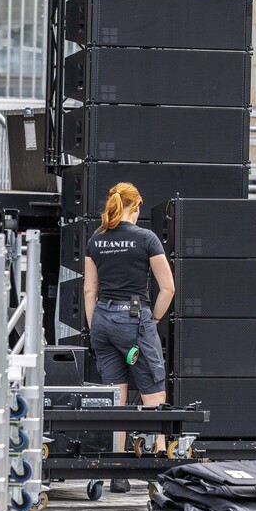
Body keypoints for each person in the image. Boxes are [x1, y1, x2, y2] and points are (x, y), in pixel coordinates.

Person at [83, 182, 175, 492]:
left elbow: (88, 290)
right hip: (134, 320)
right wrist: (154, 319)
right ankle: (161, 467)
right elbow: (168, 288)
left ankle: (117, 472)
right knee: (153, 394)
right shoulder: (146, 238)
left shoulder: (96, 239)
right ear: (135, 207)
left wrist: (95, 326)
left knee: (115, 397)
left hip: (103, 322)